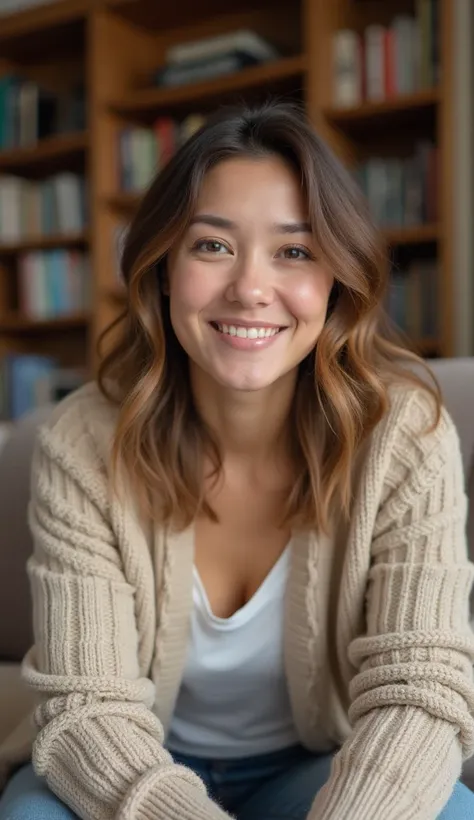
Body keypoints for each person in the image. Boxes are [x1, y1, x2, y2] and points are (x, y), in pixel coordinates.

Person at [0, 101, 473, 820]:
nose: (251, 287)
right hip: (137, 763)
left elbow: (421, 686)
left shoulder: (404, 438)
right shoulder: (81, 443)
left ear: (337, 278)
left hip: (317, 767)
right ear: (162, 268)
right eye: (212, 246)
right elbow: (85, 706)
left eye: (295, 251)